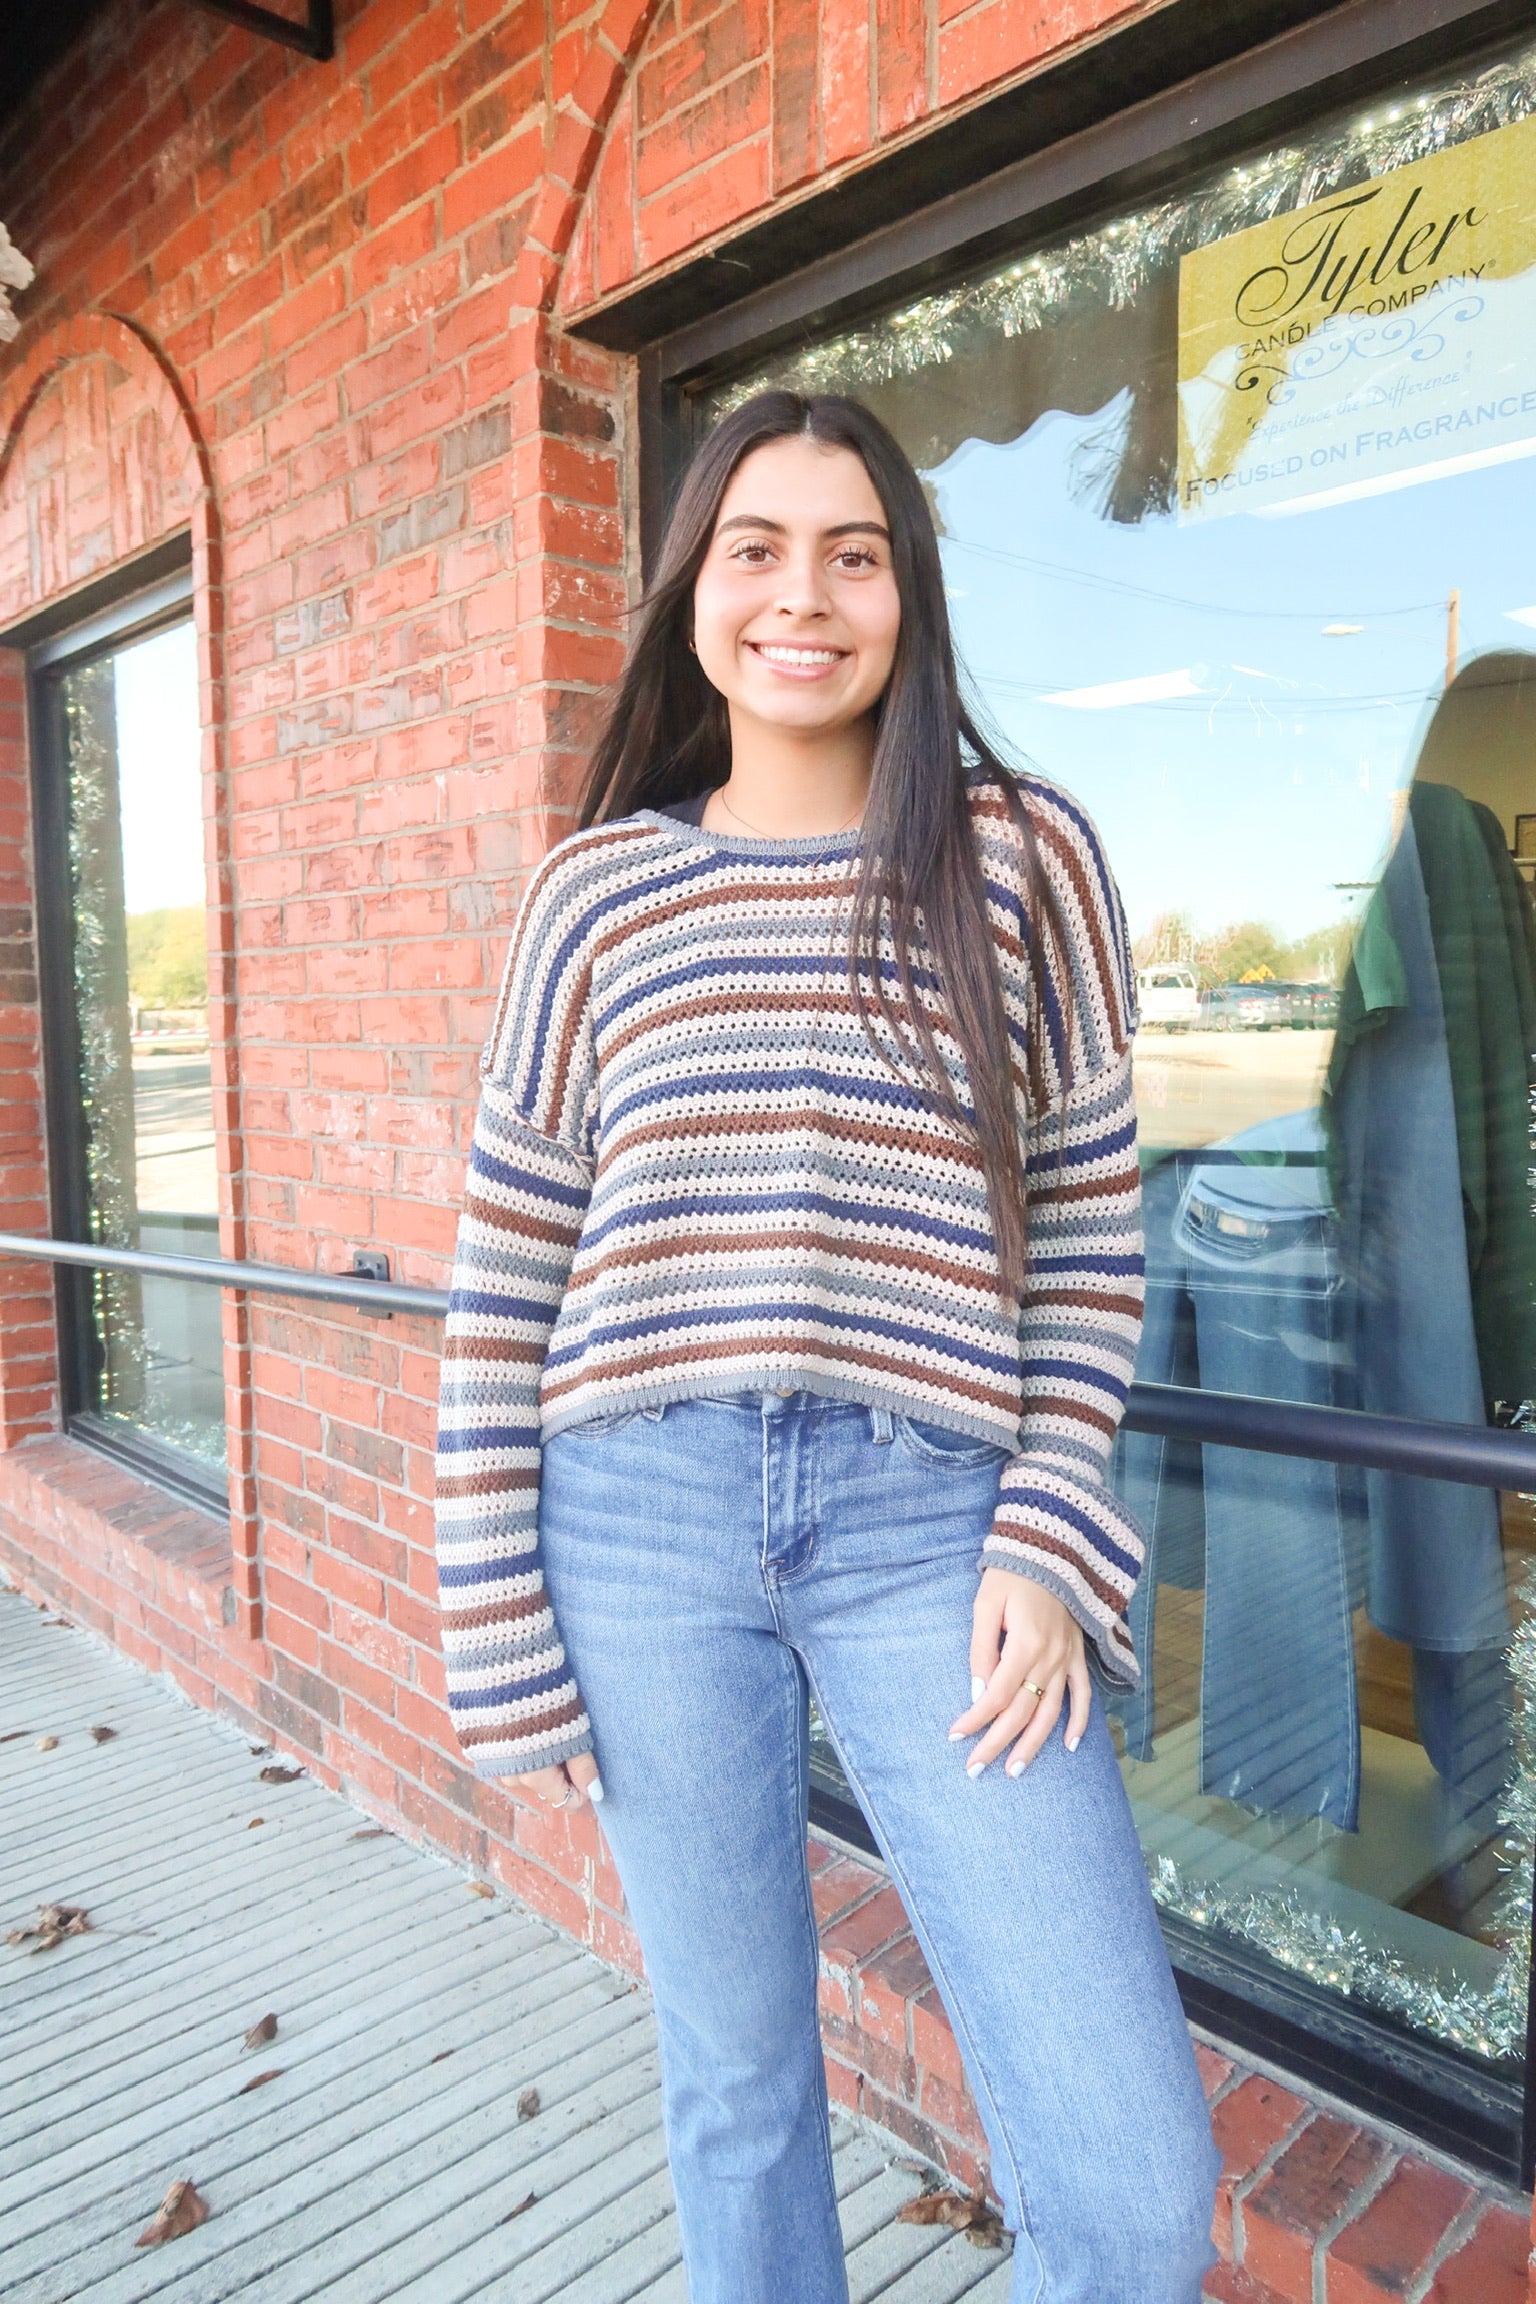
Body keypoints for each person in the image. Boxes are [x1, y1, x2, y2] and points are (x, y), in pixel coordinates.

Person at [434, 391, 1219, 2303]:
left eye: (853, 553)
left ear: (908, 595)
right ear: (695, 590)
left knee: (1134, 2191)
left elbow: (1097, 1237)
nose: (806, 596)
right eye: (757, 550)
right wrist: (489, 1604)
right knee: (739, 2086)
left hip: (932, 1531)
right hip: (634, 1521)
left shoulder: (1027, 864)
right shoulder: (599, 892)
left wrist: (1045, 1531)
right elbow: (508, 1259)